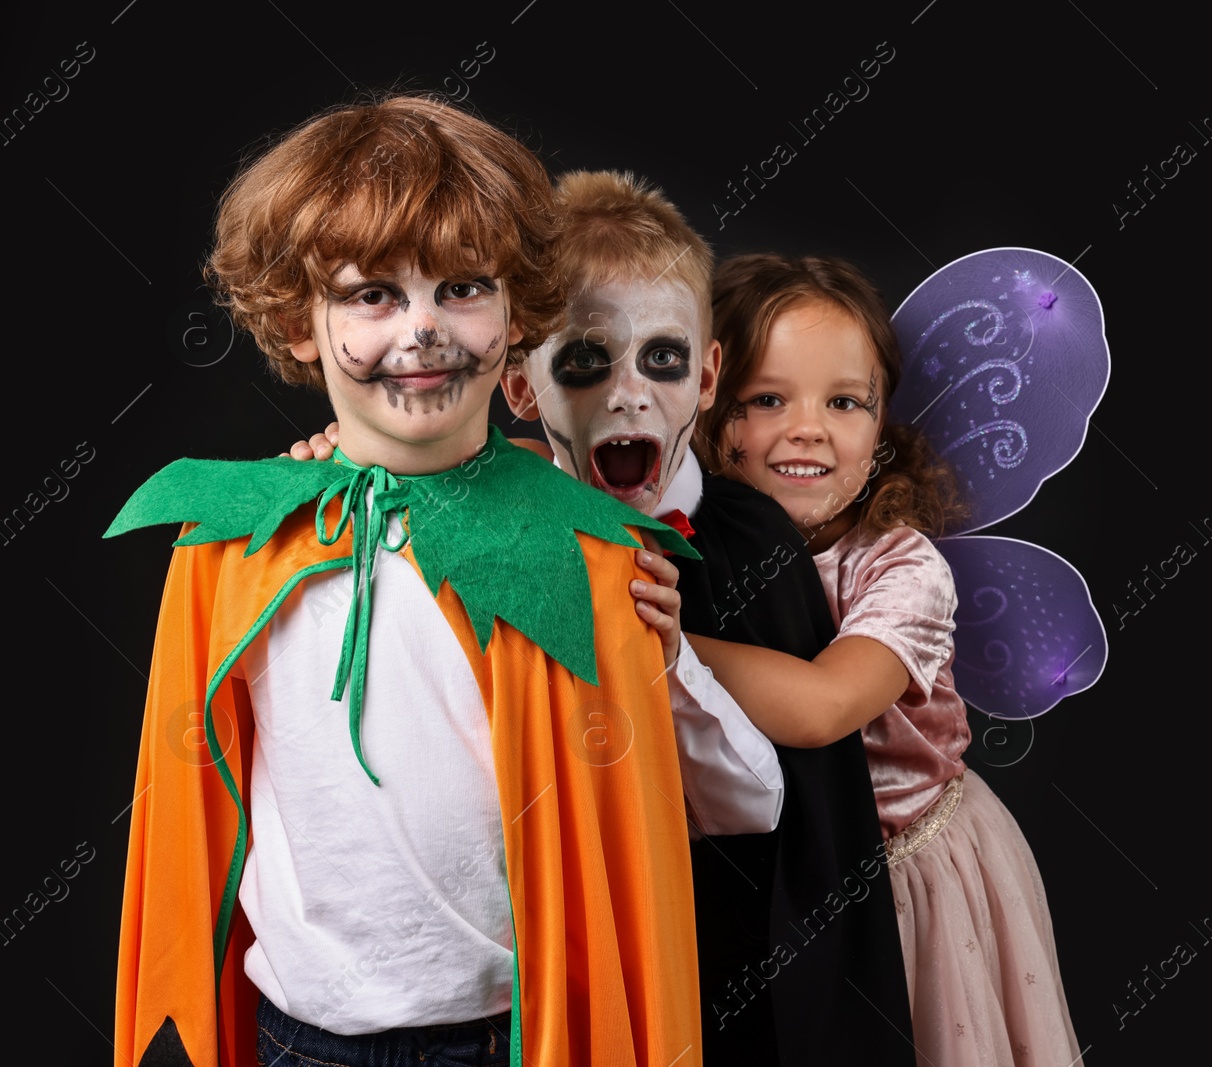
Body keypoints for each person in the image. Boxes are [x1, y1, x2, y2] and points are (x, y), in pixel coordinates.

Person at [105, 95, 702, 1067]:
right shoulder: (231, 542)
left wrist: (670, 658)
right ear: (303, 321)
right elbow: (192, 796)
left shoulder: (587, 551)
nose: (421, 330)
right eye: (373, 295)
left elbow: (638, 844)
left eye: (463, 288)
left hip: (515, 1028)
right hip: (303, 1031)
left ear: (517, 313)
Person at [285, 170, 916, 1066]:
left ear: (704, 380)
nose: (626, 396)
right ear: (521, 388)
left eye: (660, 361)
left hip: (739, 945)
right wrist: (338, 460)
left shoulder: (749, 538)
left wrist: (653, 641)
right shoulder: (492, 522)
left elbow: (800, 800)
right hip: (562, 959)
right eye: (585, 362)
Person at [650, 252, 1087, 1065]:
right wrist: (351, 448)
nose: (809, 426)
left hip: (900, 871)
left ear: (881, 428)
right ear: (705, 409)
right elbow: (542, 469)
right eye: (767, 399)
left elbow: (822, 707)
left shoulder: (900, 566)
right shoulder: (684, 537)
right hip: (768, 880)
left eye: (845, 402)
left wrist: (661, 642)